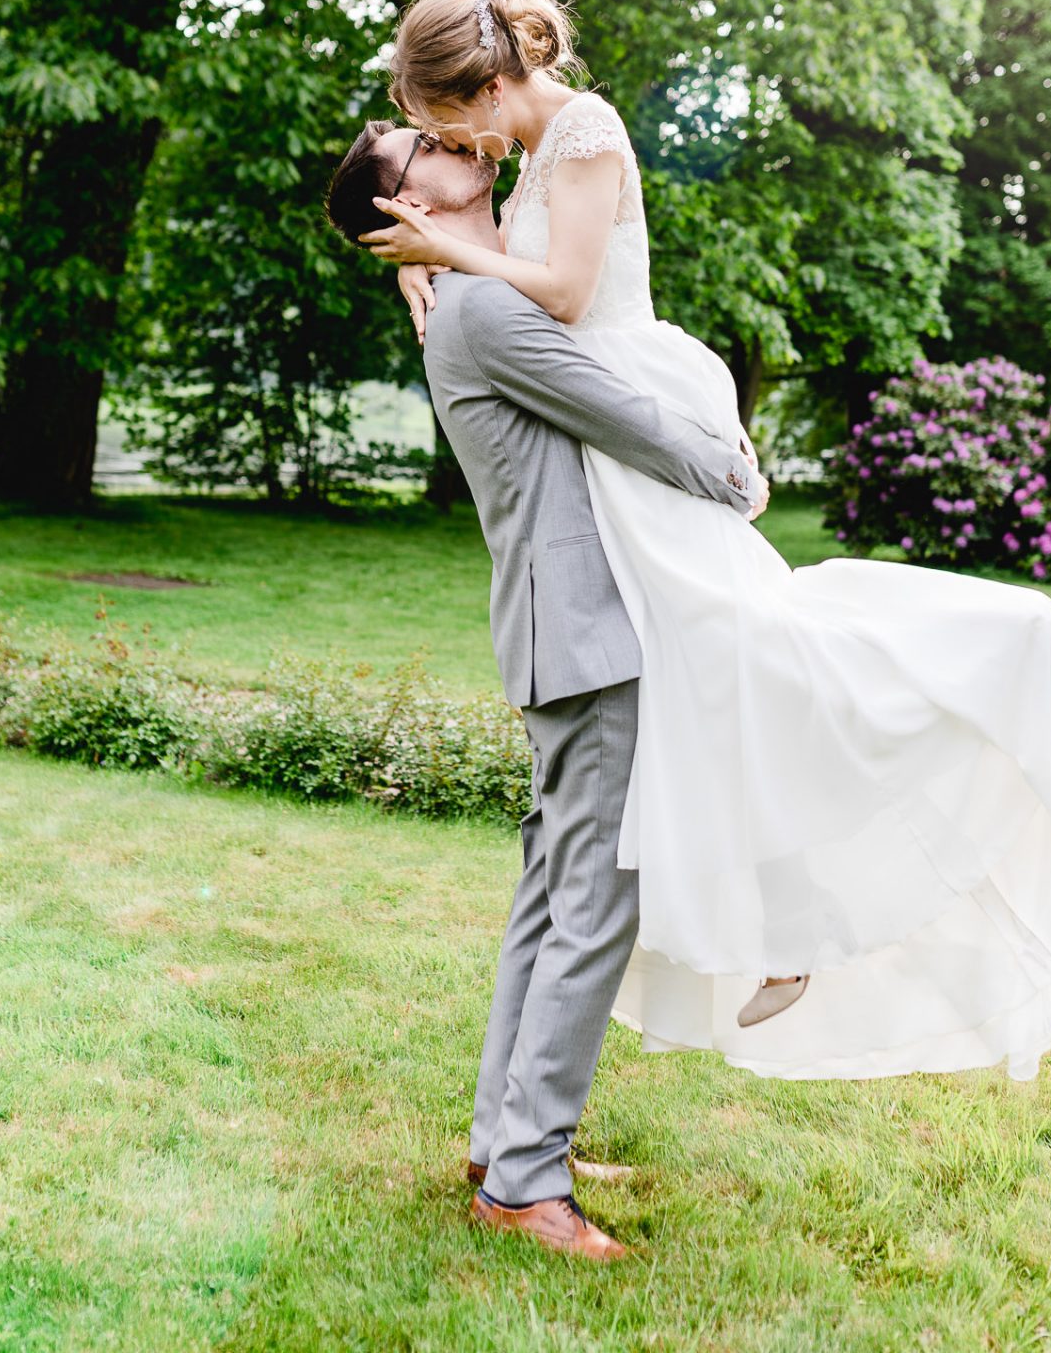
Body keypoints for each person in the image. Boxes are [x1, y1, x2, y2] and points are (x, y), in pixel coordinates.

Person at [354, 0, 1051, 1090]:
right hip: (607, 448)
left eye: (442, 119)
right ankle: (777, 928)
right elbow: (506, 306)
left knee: (756, 652)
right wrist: (429, 265)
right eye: (430, 141)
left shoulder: (578, 135)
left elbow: (563, 287)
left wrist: (450, 261)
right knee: (730, 668)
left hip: (626, 403)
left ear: (489, 84)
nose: (450, 141)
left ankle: (821, 886)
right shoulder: (511, 195)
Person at [326, 119, 766, 1260]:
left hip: (557, 630)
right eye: (407, 144)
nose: (435, 135)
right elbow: (614, 411)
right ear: (405, 205)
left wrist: (435, 265)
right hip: (584, 636)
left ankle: (503, 1142)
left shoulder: (467, 293)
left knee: (549, 896)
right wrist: (728, 470)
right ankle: (524, 1183)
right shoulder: (479, 310)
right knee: (592, 903)